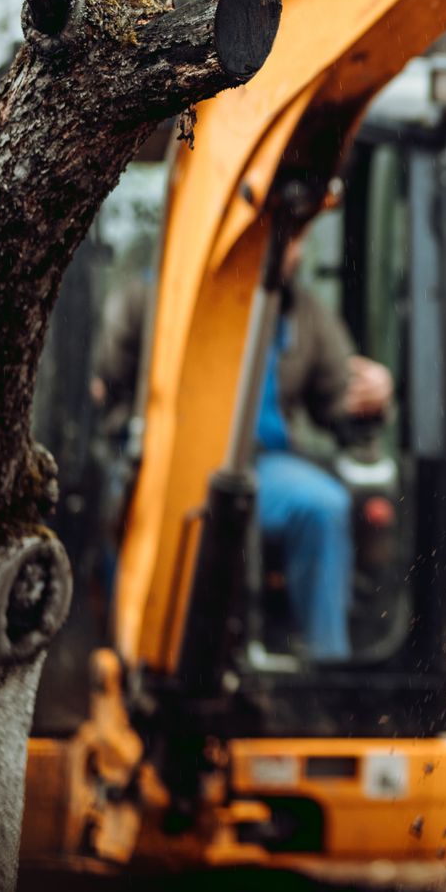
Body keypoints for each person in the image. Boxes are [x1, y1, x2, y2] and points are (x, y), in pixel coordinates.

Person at [94, 234, 393, 660]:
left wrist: (370, 398)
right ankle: (124, 657)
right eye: (290, 239)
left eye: (302, 240)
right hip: (170, 459)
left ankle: (327, 669)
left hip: (263, 466)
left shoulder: (301, 313)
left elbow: (338, 397)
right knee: (124, 504)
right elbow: (113, 384)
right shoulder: (149, 299)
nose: (297, 250)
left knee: (323, 508)